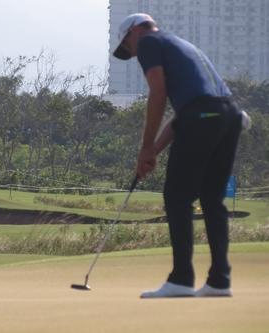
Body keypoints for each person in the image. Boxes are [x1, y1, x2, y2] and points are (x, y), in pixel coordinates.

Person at [112, 13, 246, 298]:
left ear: (134, 32)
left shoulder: (149, 42)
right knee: (211, 199)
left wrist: (145, 147)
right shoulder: (184, 45)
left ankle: (181, 279)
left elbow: (158, 95)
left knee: (177, 196)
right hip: (228, 115)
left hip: (204, 115)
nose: (133, 54)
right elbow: (183, 116)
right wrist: (152, 153)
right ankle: (219, 281)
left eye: (128, 47)